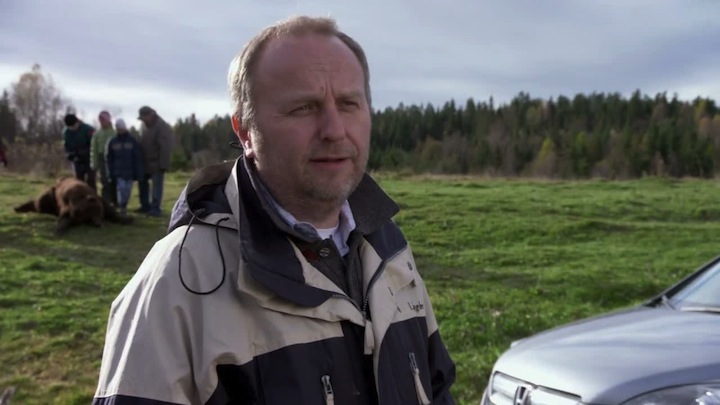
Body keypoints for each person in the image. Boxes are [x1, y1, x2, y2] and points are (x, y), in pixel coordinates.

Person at [93, 15, 456, 405]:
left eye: (349, 104)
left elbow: (436, 388)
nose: (335, 130)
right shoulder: (177, 285)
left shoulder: (388, 247)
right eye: (303, 108)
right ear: (245, 132)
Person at [136, 105, 174, 217]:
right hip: (144, 162)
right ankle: (145, 206)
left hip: (157, 162)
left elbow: (165, 147)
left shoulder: (162, 126)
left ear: (150, 115)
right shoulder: (143, 126)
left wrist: (163, 164)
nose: (143, 120)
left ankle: (155, 208)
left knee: (156, 187)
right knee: (142, 184)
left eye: (144, 118)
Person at [106, 119, 143, 216]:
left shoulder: (132, 141)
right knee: (121, 189)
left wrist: (138, 172)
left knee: (127, 191)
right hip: (118, 172)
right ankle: (122, 207)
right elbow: (109, 158)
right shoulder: (113, 141)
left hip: (130, 172)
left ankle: (124, 204)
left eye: (121, 128)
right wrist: (110, 172)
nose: (120, 130)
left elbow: (137, 157)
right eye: (118, 128)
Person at [62, 113, 96, 190]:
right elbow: (66, 146)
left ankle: (92, 195)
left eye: (74, 126)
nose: (72, 128)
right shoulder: (66, 132)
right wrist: (69, 154)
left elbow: (94, 144)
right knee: (78, 181)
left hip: (89, 158)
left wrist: (85, 151)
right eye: (70, 127)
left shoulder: (88, 129)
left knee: (91, 180)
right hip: (76, 159)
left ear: (77, 122)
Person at [90, 111, 118, 205]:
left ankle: (116, 201)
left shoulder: (114, 133)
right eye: (100, 120)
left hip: (114, 159)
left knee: (114, 181)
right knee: (104, 181)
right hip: (102, 159)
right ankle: (106, 202)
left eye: (104, 120)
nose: (102, 122)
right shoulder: (97, 134)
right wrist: (94, 164)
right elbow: (94, 150)